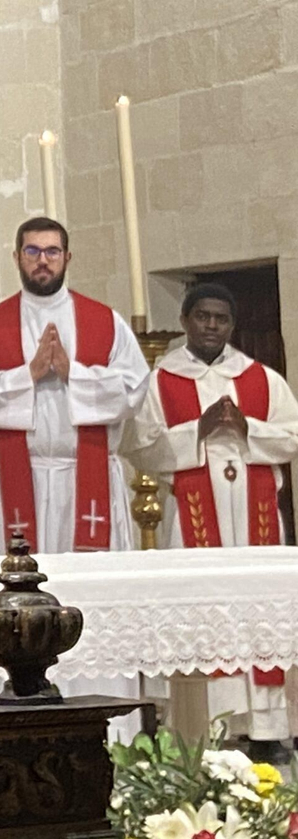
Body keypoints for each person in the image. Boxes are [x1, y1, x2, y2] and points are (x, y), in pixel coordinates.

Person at [125, 283, 298, 754]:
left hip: (255, 513)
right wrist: (194, 432)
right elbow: (139, 449)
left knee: (258, 612)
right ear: (185, 320)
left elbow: (292, 438)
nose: (211, 326)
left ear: (231, 325)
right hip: (191, 515)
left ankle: (263, 728)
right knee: (202, 609)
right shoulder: (161, 381)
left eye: (220, 318)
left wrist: (248, 428)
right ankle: (207, 729)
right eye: (202, 316)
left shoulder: (262, 378)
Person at [0, 217, 149, 554]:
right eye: (32, 251)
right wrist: (29, 374)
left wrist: (71, 373)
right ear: (17, 256)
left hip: (88, 477)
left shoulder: (106, 322)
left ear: (67, 257)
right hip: (18, 477)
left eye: (52, 251)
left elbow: (134, 391)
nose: (43, 260)